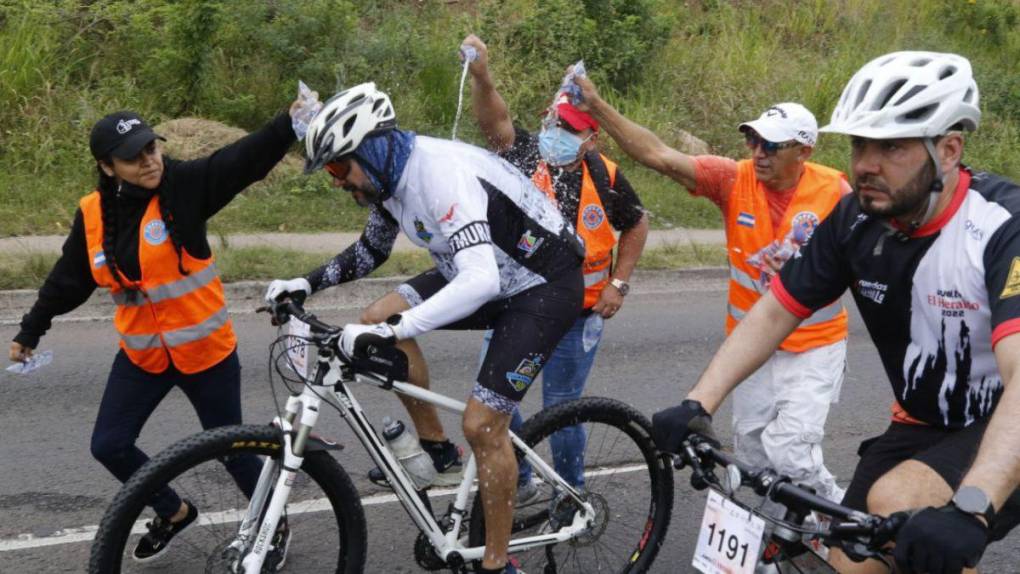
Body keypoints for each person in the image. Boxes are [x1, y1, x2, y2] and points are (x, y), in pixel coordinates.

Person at [650, 51, 1020, 574]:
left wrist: (974, 506)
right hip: (921, 422)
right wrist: (697, 402)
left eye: (890, 146)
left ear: (950, 149)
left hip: (1006, 420)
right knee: (851, 559)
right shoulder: (855, 219)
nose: (866, 164)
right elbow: (775, 310)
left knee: (903, 507)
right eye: (859, 144)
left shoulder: (1003, 225)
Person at [265, 82, 584, 574]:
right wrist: (305, 285)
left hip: (543, 285)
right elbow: (371, 251)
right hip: (485, 271)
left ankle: (496, 564)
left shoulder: (439, 175)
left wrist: (397, 331)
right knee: (375, 316)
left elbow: (480, 281)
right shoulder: (386, 179)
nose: (335, 182)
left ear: (368, 148)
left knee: (482, 424)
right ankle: (437, 450)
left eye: (336, 167)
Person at [8, 97, 306, 568]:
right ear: (108, 167)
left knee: (231, 449)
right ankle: (175, 510)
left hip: (205, 351)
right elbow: (70, 277)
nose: (149, 160)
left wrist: (289, 122)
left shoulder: (183, 186)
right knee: (109, 445)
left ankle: (273, 523)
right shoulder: (92, 214)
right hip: (143, 356)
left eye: (152, 148)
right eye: (134, 155)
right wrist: (31, 330)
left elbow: (242, 160)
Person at [572, 76, 850, 503]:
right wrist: (597, 107)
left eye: (771, 146)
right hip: (752, 348)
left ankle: (837, 519)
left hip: (814, 346)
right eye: (754, 141)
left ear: (804, 151)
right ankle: (772, 548)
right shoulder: (732, 179)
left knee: (792, 453)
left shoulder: (837, 192)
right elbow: (657, 155)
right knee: (753, 462)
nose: (758, 153)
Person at [460, 34, 649, 501]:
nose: (557, 133)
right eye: (555, 121)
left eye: (571, 128)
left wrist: (619, 284)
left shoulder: (605, 175)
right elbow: (496, 123)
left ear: (591, 137)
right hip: (514, 306)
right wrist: (482, 76)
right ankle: (518, 478)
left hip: (576, 316)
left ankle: (571, 493)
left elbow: (637, 224)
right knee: (494, 398)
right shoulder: (526, 157)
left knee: (562, 410)